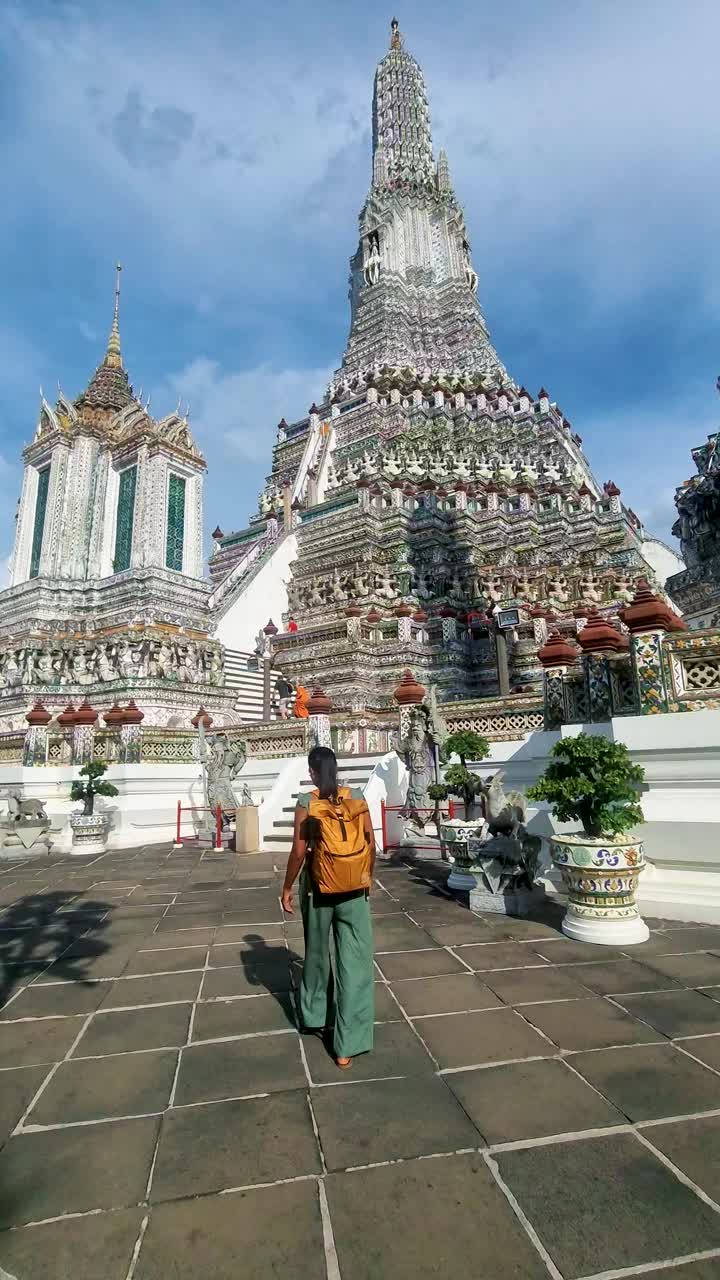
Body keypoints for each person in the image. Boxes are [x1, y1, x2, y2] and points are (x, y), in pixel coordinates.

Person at [281, 746, 375, 1069]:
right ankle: (347, 1046)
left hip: (318, 890)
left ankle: (315, 1017)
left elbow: (298, 851)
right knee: (356, 965)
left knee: (318, 956)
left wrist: (286, 887)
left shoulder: (307, 803)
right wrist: (366, 880)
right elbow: (370, 842)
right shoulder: (357, 797)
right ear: (336, 769)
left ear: (312, 773)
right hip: (354, 889)